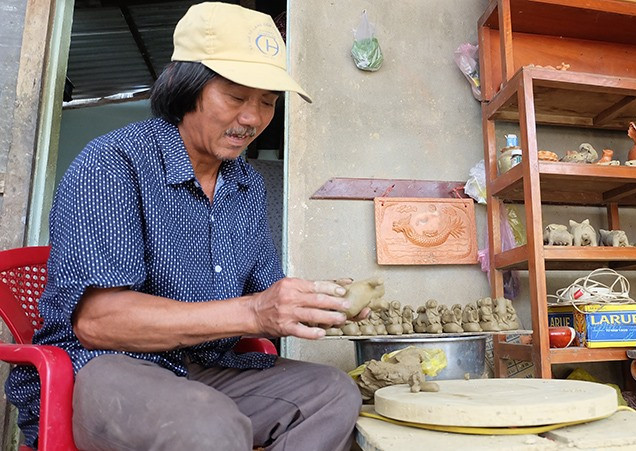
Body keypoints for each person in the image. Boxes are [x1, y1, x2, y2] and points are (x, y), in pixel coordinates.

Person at [5, 3, 366, 450]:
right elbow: (98, 322)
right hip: (104, 368)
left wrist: (320, 305)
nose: (253, 118)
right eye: (235, 97)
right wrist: (254, 310)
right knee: (206, 424)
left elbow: (266, 295)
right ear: (185, 88)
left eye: (268, 102)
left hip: (204, 365)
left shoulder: (245, 183)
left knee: (333, 395)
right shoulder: (114, 162)